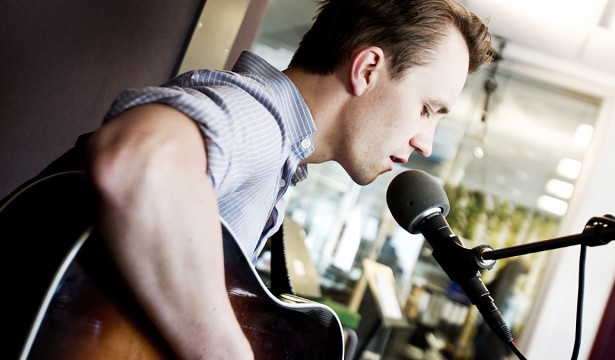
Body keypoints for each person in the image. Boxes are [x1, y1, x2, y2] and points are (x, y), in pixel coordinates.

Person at [85, 0, 494, 358]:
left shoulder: (279, 155)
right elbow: (138, 159)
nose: (426, 143)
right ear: (367, 69)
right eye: (426, 109)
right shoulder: (260, 120)